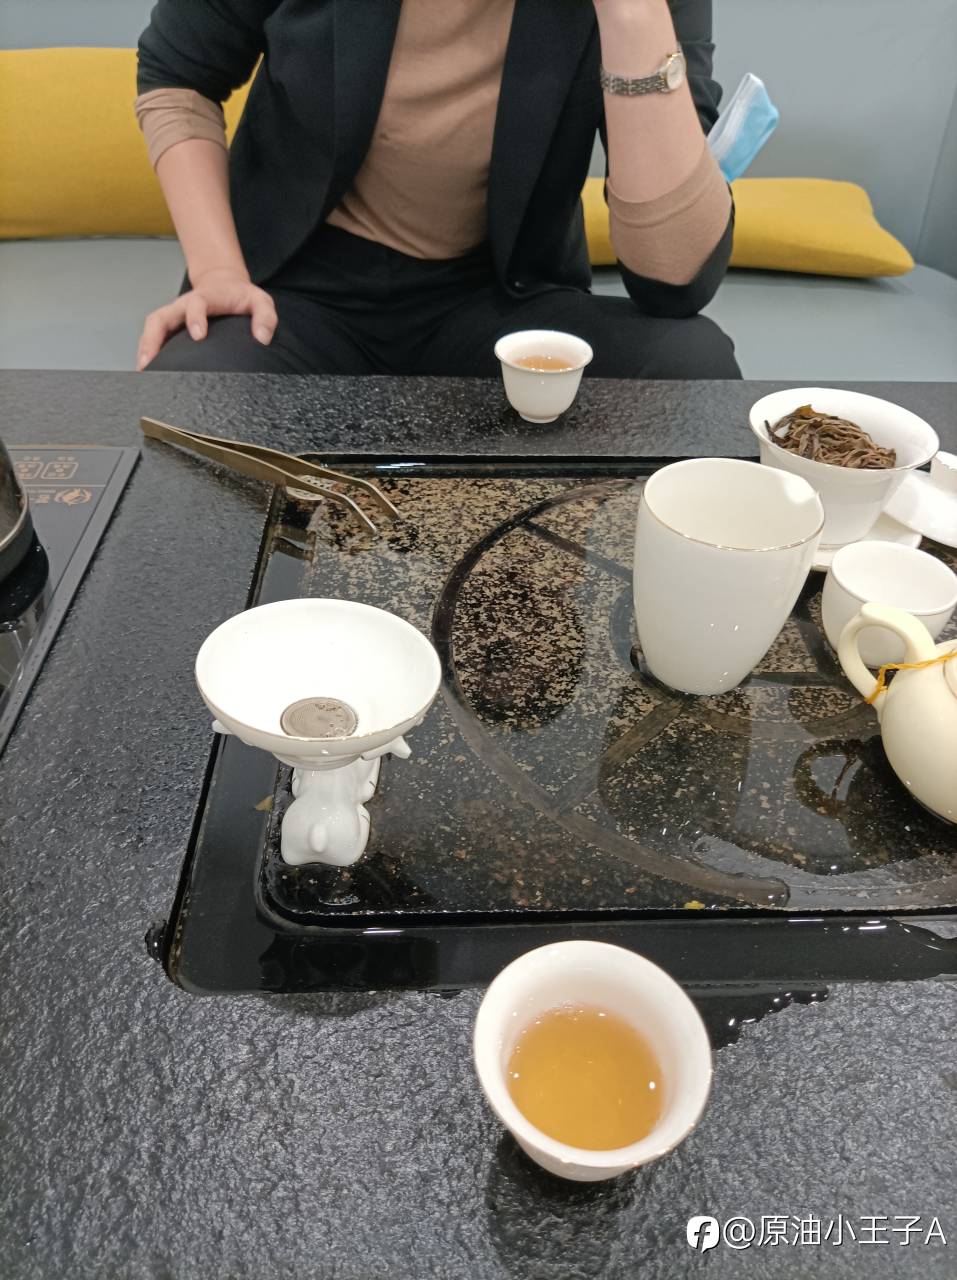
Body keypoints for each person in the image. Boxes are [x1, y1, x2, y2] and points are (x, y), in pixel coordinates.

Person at [135, 0, 739, 379]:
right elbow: (178, 76)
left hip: (503, 300)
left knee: (690, 369)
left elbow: (676, 279)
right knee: (189, 394)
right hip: (294, 292)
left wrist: (633, 14)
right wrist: (218, 273)